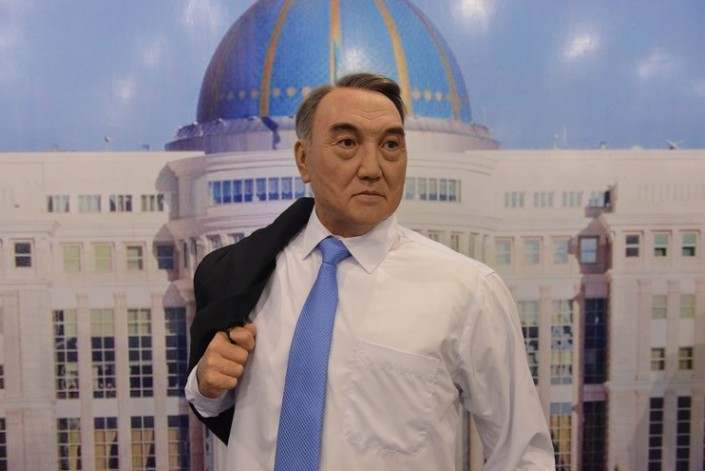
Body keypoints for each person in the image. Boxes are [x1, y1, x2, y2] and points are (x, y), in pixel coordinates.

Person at [185, 72, 555, 470]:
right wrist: (206, 386)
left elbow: (523, 454)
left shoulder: (468, 291)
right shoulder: (248, 273)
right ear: (304, 159)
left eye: (391, 145)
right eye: (347, 143)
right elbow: (222, 405)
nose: (372, 168)